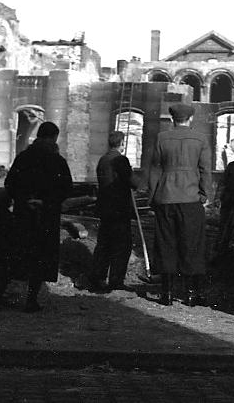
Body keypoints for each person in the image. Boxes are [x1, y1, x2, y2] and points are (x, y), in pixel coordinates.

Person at [4, 121, 75, 312]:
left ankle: (10, 294)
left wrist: (24, 200)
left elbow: (10, 183)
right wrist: (46, 202)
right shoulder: (57, 161)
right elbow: (67, 188)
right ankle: (31, 299)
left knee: (21, 253)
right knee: (40, 257)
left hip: (24, 214)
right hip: (46, 216)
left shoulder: (23, 158)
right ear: (54, 138)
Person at [147, 103, 212, 306]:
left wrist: (152, 197)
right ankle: (190, 294)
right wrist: (205, 195)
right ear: (190, 119)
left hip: (166, 197)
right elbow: (205, 170)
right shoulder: (200, 138)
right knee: (192, 245)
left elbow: (155, 169)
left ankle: (166, 293)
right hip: (191, 199)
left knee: (166, 244)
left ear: (172, 119)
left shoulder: (162, 138)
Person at [88, 130, 139, 293]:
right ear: (122, 143)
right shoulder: (120, 160)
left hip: (105, 208)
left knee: (104, 244)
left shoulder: (103, 159)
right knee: (122, 246)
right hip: (119, 209)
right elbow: (132, 182)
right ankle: (116, 280)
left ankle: (98, 278)